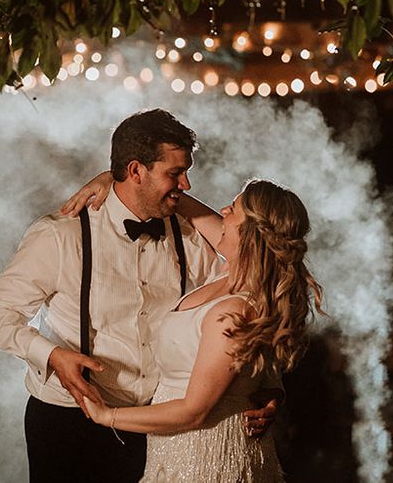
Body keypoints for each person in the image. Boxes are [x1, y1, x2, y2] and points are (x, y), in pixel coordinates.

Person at [0, 109, 279, 483]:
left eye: (187, 171)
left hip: (157, 426)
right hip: (69, 421)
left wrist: (266, 386)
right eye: (175, 173)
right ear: (136, 171)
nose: (186, 184)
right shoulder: (61, 235)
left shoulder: (190, 238)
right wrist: (51, 355)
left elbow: (242, 309)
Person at [75, 176, 323, 482]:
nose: (223, 212)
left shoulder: (233, 311)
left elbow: (194, 412)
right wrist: (116, 177)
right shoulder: (229, 272)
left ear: (249, 234)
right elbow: (184, 205)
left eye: (232, 210)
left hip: (206, 458)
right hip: (177, 452)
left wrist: (106, 416)